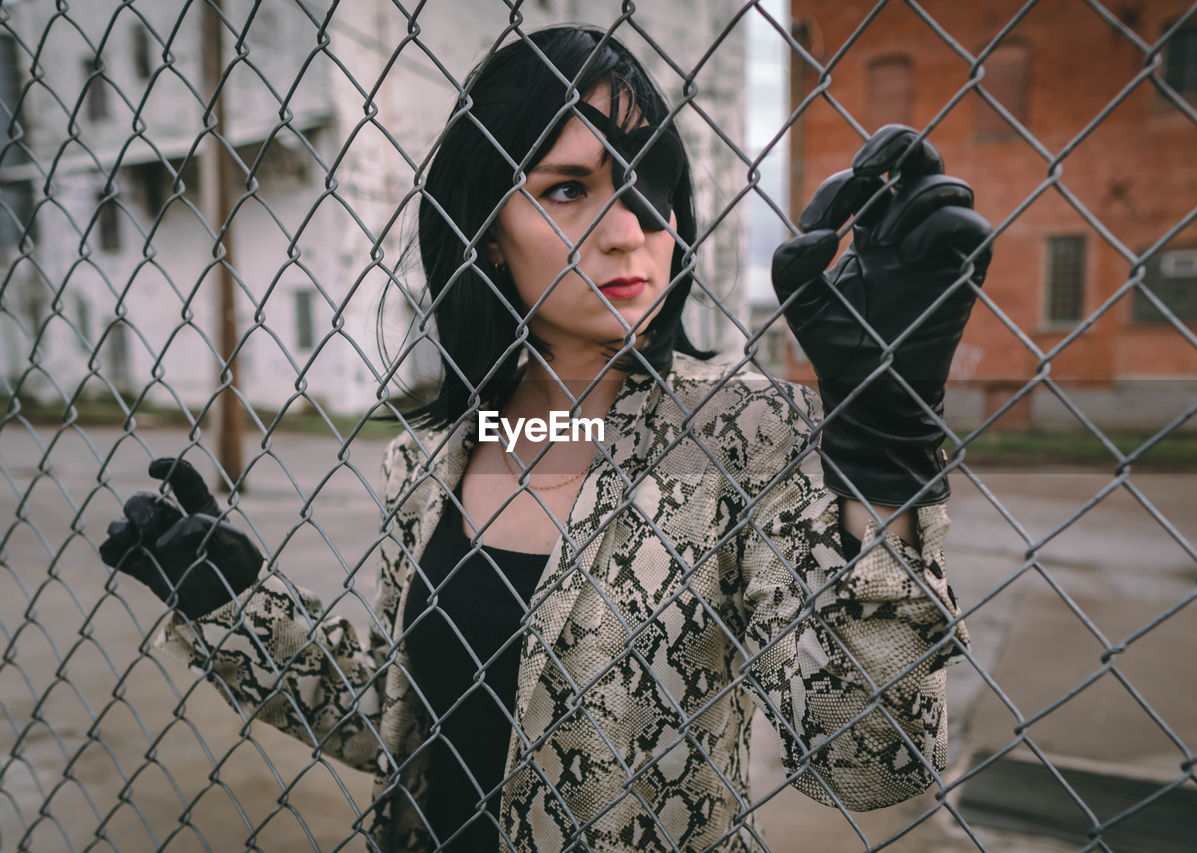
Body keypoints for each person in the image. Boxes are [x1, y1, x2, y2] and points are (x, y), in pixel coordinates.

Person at [98, 25, 990, 853]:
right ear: (486, 233)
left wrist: (882, 455)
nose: (630, 229)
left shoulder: (739, 433)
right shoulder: (433, 454)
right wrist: (234, 605)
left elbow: (869, 760)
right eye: (568, 188)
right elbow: (409, 721)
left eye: (652, 186)